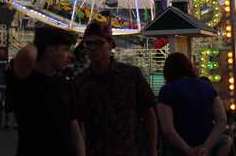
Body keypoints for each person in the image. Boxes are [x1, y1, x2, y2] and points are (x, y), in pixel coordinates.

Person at [71, 21, 157, 156]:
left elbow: (148, 114)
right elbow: (77, 125)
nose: (93, 48)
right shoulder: (79, 83)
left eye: (99, 43)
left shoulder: (131, 76)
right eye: (89, 44)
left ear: (110, 45)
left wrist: (152, 151)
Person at [10, 26, 85, 156]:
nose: (70, 56)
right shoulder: (25, 81)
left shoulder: (64, 84)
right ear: (50, 51)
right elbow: (28, 54)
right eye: (65, 50)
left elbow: (74, 128)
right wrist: (39, 43)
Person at [157, 52, 231, 156]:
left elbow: (168, 130)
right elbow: (222, 120)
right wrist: (205, 147)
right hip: (206, 146)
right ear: (189, 67)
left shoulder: (166, 91)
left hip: (179, 149)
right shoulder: (207, 87)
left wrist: (188, 150)